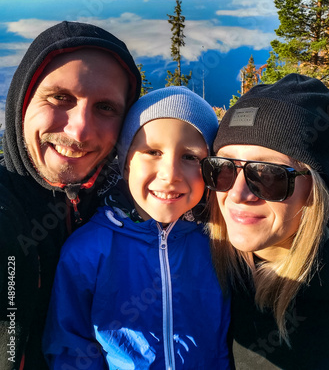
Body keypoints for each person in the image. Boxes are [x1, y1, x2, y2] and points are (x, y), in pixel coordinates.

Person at [43, 86, 231, 370]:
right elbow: (70, 347)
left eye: (190, 157)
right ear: (126, 162)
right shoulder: (88, 250)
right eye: (153, 151)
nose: (170, 175)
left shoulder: (219, 244)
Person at [202, 74, 329, 369]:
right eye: (223, 168)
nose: (238, 194)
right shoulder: (195, 266)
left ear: (317, 190)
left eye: (268, 175)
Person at [0, 21, 141, 370]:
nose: (79, 130)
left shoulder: (135, 200)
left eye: (106, 107)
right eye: (61, 98)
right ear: (22, 101)